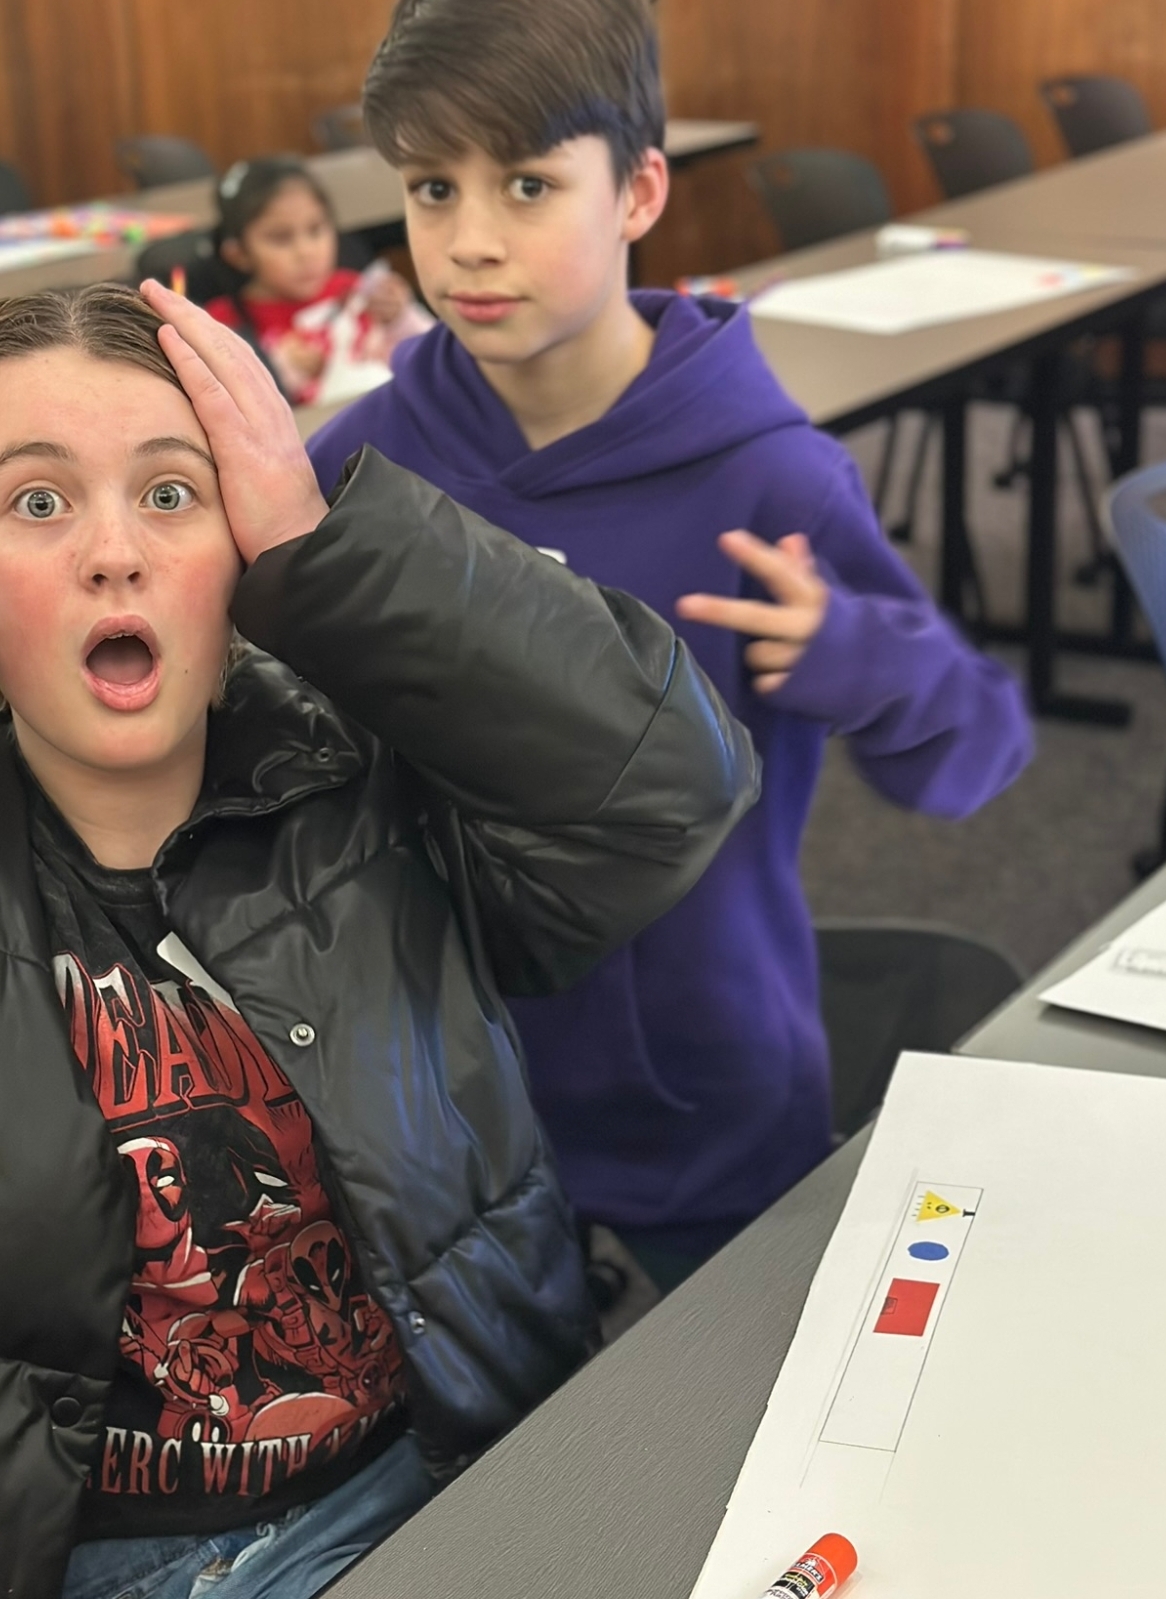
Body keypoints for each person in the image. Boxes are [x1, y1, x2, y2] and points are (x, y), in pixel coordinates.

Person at [0, 280, 757, 1599]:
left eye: (173, 493)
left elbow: (670, 782)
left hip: (470, 1456)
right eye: (38, 500)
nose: (111, 551)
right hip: (140, 1556)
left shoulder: (361, 771)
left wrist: (323, 545)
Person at [306, 0, 1035, 1291]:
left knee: (716, 1439)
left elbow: (973, 753)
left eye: (527, 185)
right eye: (431, 188)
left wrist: (859, 657)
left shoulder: (773, 484)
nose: (469, 242)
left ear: (639, 189)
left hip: (704, 1085)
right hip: (436, 1099)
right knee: (499, 1466)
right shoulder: (361, 466)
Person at [204, 156, 433, 403]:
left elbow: (431, 356)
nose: (306, 252)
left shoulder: (356, 290)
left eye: (315, 230)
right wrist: (280, 370)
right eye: (281, 238)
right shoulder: (223, 325)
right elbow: (226, 401)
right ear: (239, 254)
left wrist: (399, 318)